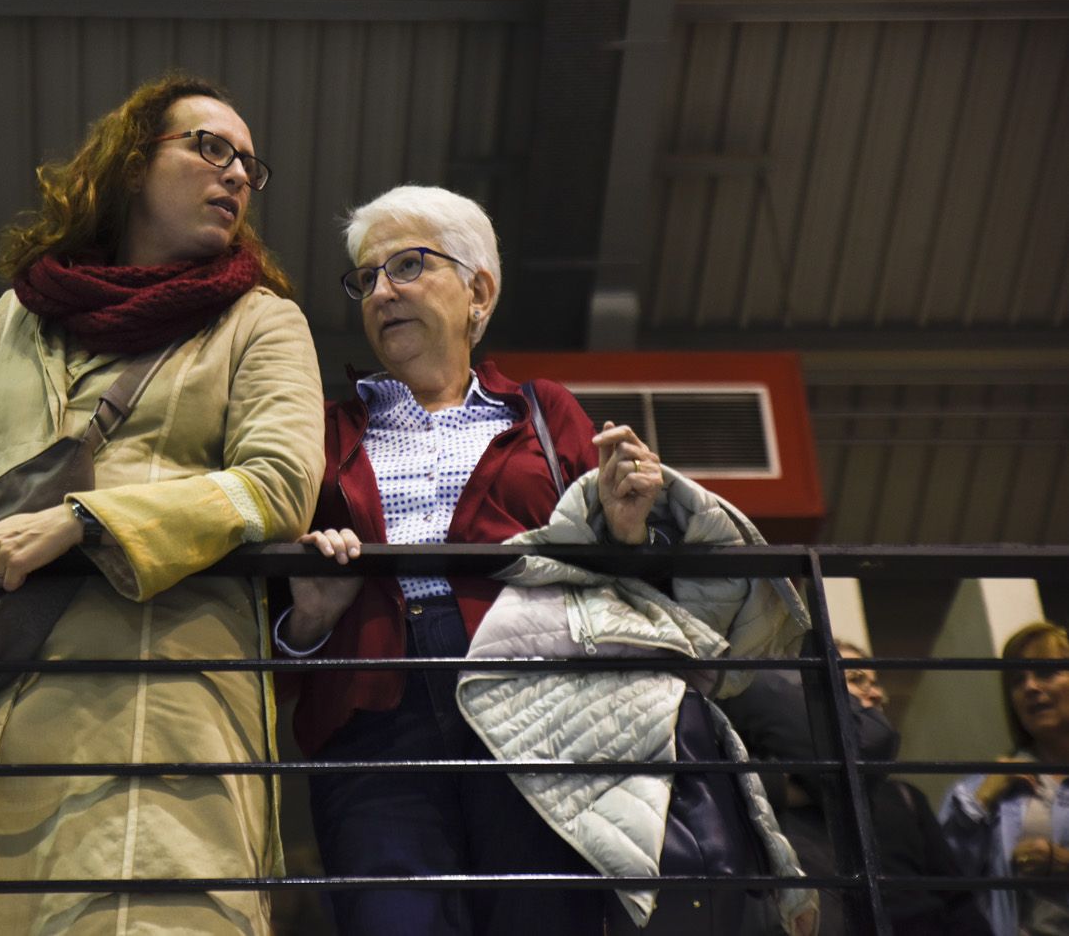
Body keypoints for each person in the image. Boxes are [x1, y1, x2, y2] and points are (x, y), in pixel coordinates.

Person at [0, 73, 324, 936]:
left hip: (147, 715)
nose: (237, 172)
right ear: (130, 165)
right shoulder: (0, 326)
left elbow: (278, 484)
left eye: (249, 162)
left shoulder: (260, 323)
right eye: (210, 147)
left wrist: (88, 522)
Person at [280, 184, 772, 934]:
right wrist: (309, 621)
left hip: (537, 703)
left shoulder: (546, 412)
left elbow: (618, 586)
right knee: (393, 918)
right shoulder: (319, 428)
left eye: (408, 265)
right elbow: (274, 610)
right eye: (366, 278)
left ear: (479, 289)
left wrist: (629, 529)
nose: (382, 292)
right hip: (373, 710)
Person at [722, 640, 989, 935]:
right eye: (855, 679)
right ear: (813, 696)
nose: (875, 692)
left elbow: (957, 900)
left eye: (875, 682)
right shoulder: (781, 798)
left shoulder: (905, 796)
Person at [940, 620, 1069, 936]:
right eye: (1017, 680)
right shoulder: (981, 788)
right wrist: (980, 802)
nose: (1030, 687)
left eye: (1045, 672)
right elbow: (943, 885)